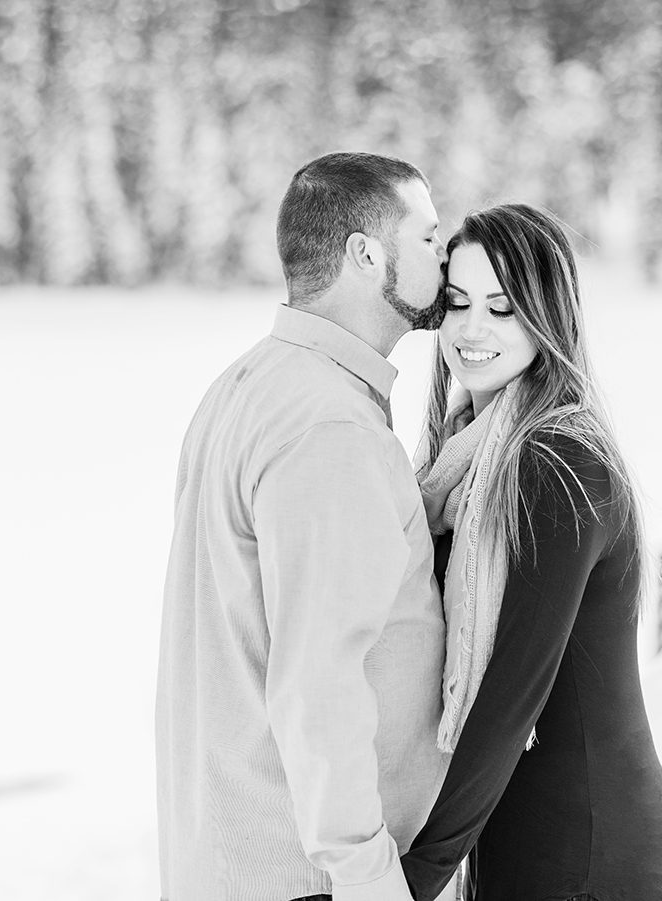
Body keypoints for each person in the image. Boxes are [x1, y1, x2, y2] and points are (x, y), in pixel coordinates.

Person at [156, 151, 455, 901]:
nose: (444, 256)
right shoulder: (330, 428)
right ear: (366, 254)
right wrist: (368, 877)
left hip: (233, 866)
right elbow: (318, 679)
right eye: (427, 236)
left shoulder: (250, 389)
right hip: (309, 879)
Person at [399, 205, 662, 901]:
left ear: (546, 318)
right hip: (523, 840)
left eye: (502, 309)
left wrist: (408, 881)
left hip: (589, 849)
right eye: (458, 303)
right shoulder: (459, 463)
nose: (471, 330)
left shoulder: (558, 461)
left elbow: (511, 691)